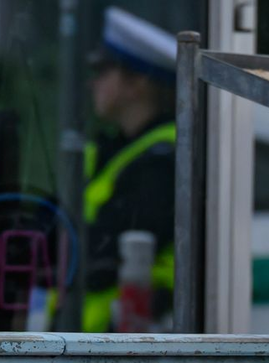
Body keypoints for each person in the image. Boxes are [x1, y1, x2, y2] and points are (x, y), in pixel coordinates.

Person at [82, 7, 177, 332]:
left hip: (120, 346)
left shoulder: (160, 162)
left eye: (103, 70)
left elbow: (101, 255)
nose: (92, 82)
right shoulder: (117, 150)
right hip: (91, 343)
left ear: (137, 83)